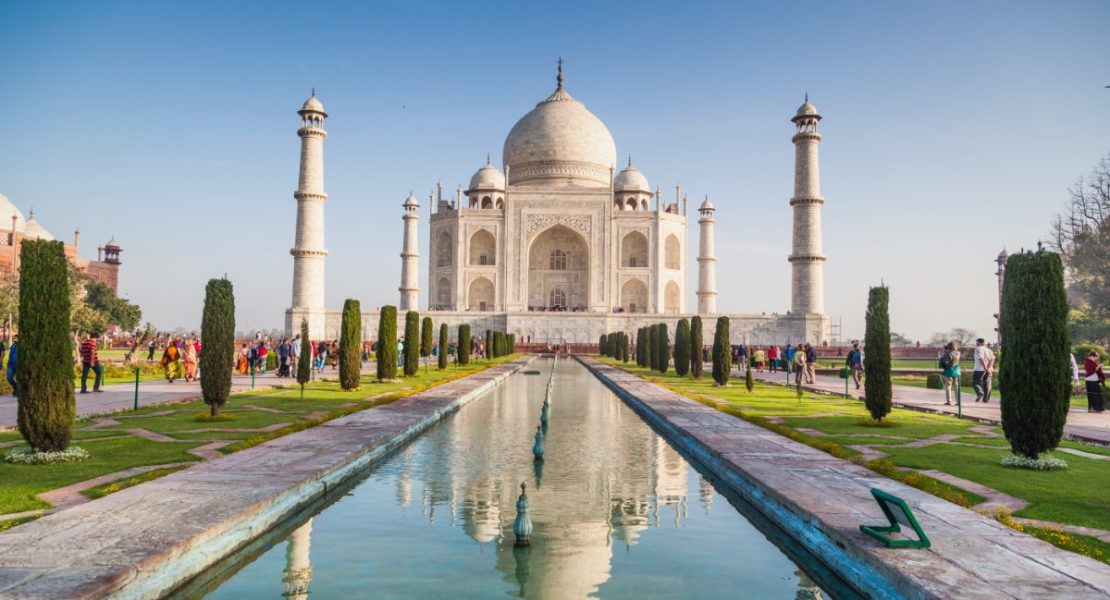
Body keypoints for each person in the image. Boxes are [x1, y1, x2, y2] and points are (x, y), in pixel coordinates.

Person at [972, 338, 996, 403]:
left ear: (979, 343)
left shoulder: (978, 349)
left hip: (979, 369)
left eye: (977, 343)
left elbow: (981, 358)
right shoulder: (989, 350)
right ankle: (986, 399)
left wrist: (985, 368)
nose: (976, 344)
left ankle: (980, 392)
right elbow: (992, 359)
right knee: (987, 383)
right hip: (989, 370)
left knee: (975, 382)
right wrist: (989, 367)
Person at [940, 341, 961, 406]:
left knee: (948, 386)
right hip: (956, 371)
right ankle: (958, 401)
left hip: (948, 371)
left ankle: (948, 401)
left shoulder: (947, 353)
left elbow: (944, 363)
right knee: (956, 387)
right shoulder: (958, 353)